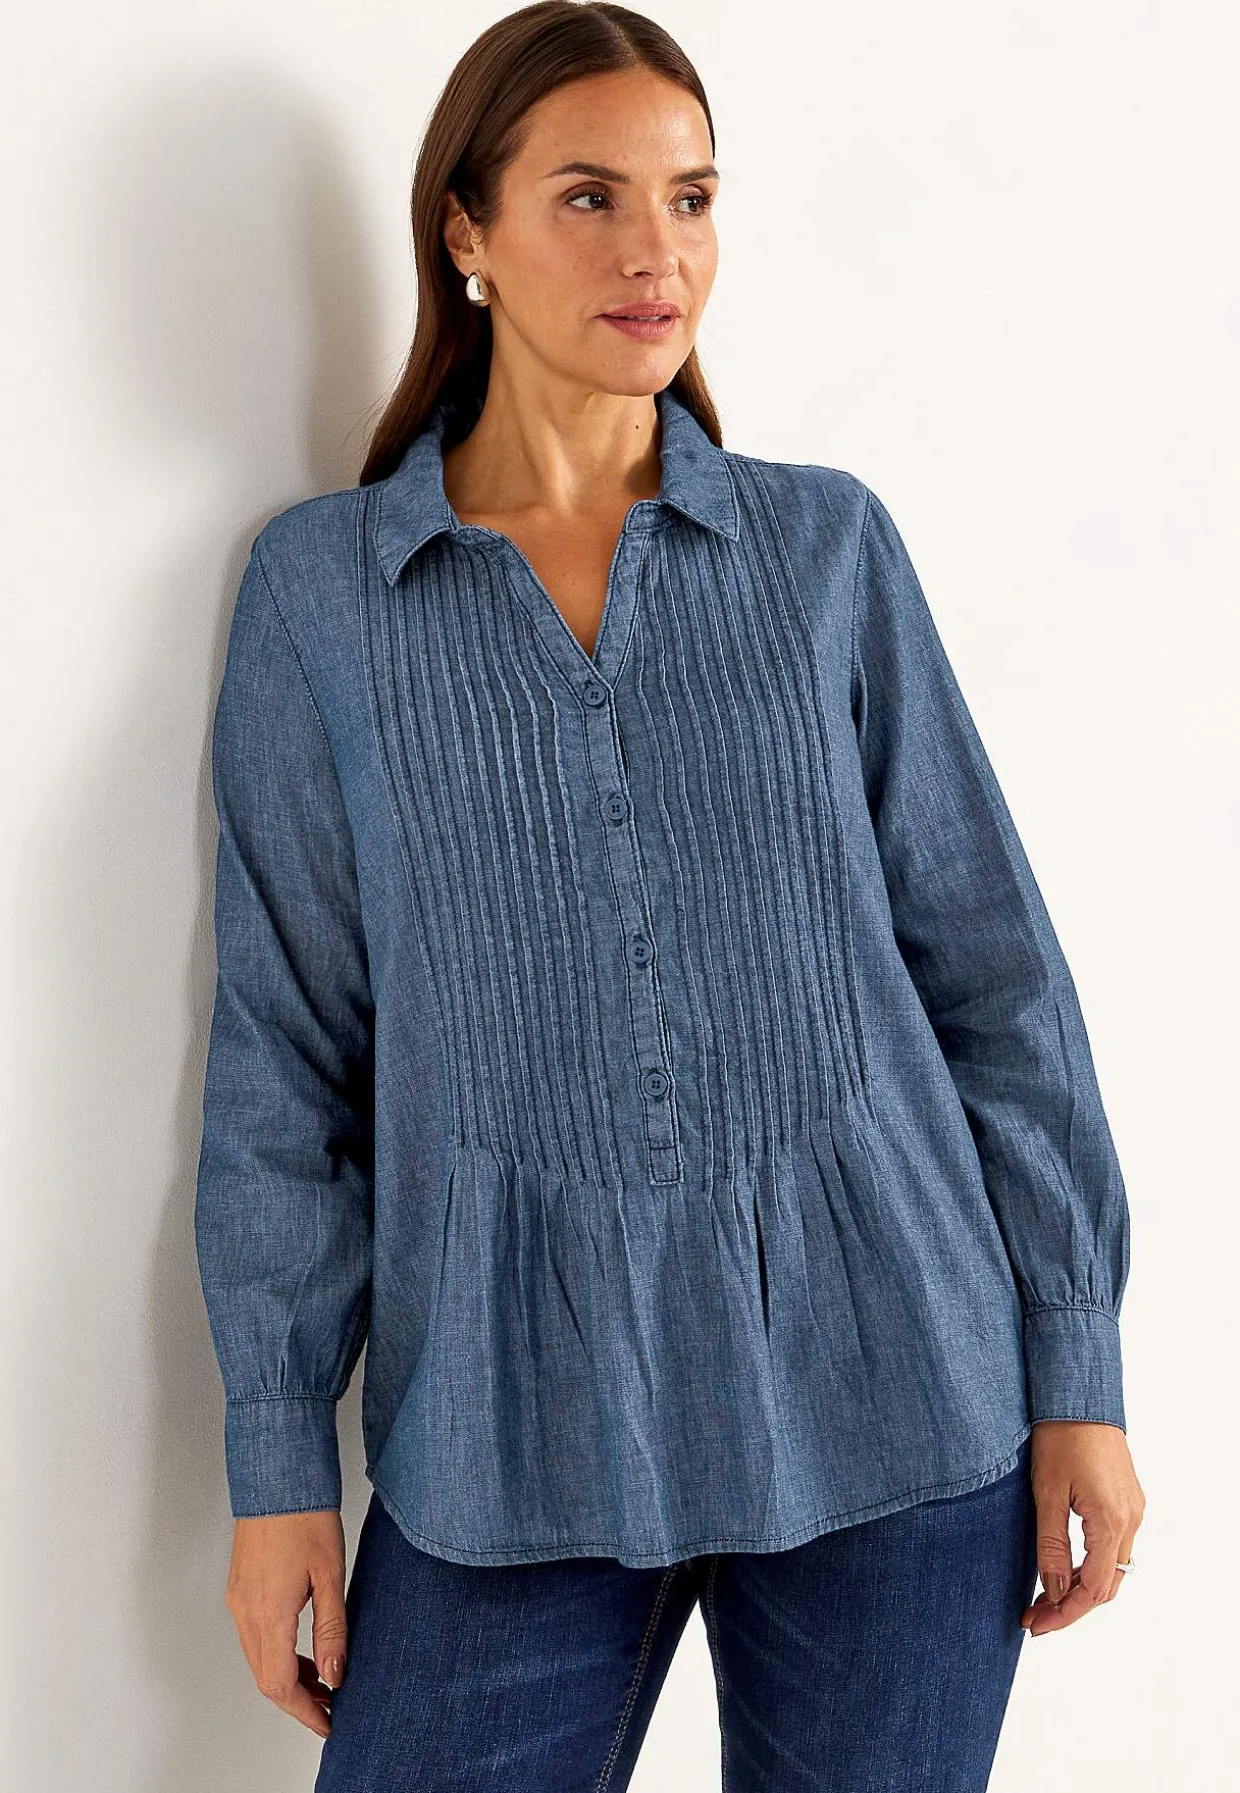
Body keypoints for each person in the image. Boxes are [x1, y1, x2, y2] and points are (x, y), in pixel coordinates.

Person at [193, 3, 1146, 1787]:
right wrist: (277, 1466)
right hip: (507, 1443)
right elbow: (285, 1058)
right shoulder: (325, 597)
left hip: (901, 1400)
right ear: (466, 232)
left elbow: (994, 980)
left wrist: (1074, 1367)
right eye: (592, 197)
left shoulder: (824, 548)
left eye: (693, 198)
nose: (658, 251)